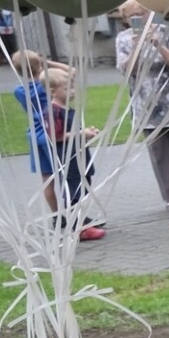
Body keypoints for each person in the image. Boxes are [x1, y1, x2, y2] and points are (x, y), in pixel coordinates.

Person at [115, 4, 169, 205]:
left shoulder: (168, 33)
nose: (138, 18)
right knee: (160, 157)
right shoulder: (124, 39)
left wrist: (158, 45)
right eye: (132, 16)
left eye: (141, 14)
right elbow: (127, 70)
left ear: (150, 13)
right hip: (147, 109)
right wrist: (137, 46)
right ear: (125, 18)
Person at [41, 65, 104, 240]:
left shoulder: (65, 110)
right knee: (73, 190)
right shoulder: (53, 111)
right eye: (67, 88)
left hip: (80, 156)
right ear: (53, 91)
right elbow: (55, 136)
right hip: (69, 159)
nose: (72, 91)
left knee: (84, 187)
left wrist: (86, 132)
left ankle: (83, 219)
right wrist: (82, 134)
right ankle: (79, 228)